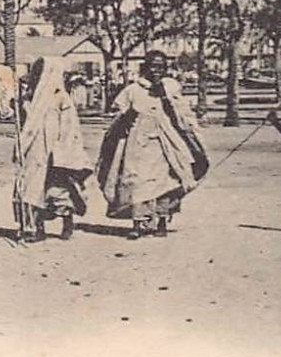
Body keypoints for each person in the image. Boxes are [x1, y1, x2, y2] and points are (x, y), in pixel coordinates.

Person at [96, 49, 209, 240]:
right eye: (153, 66)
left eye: (161, 67)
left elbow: (183, 117)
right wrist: (127, 116)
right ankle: (138, 223)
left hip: (166, 143)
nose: (157, 71)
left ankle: (162, 222)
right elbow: (117, 118)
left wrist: (164, 97)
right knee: (137, 182)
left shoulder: (172, 88)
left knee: (165, 183)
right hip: (138, 144)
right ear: (145, 67)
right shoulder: (132, 90)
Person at [12, 57, 92, 242]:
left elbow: (70, 127)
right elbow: (25, 125)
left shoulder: (61, 98)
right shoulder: (29, 98)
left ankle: (67, 223)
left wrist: (63, 151)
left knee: (58, 190)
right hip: (34, 150)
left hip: (55, 151)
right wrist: (16, 108)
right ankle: (36, 228)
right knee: (31, 189)